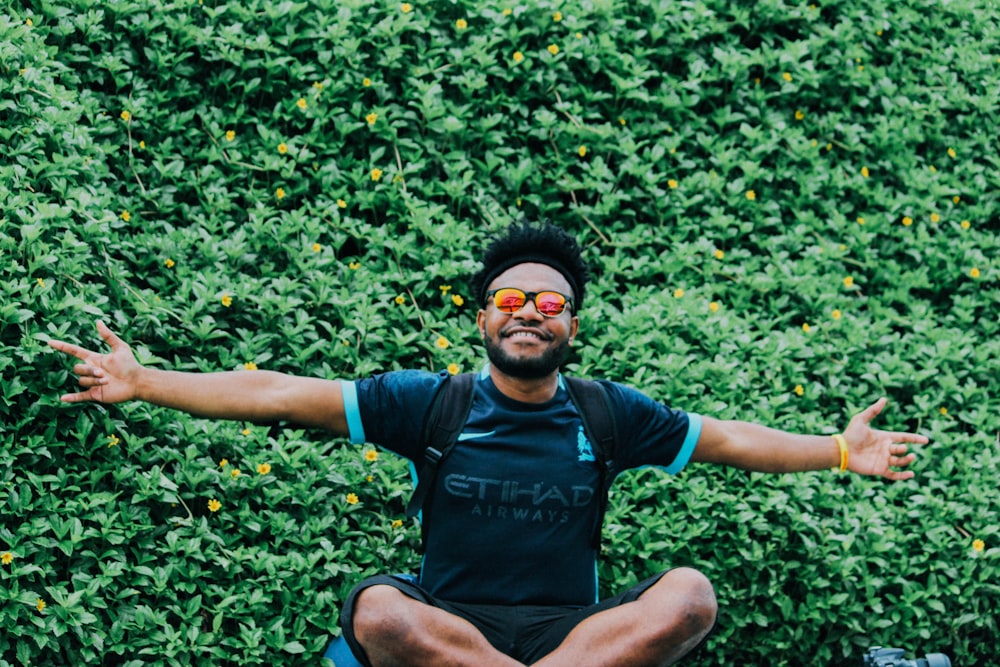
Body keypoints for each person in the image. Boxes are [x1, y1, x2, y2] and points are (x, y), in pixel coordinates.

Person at [49, 222, 927, 667]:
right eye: (510, 300)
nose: (528, 312)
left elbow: (730, 438)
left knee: (690, 594)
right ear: (481, 318)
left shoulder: (607, 413)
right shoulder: (429, 403)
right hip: (451, 632)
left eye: (548, 303)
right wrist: (146, 379)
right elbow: (280, 391)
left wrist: (840, 450)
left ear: (571, 325)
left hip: (575, 637)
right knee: (382, 612)